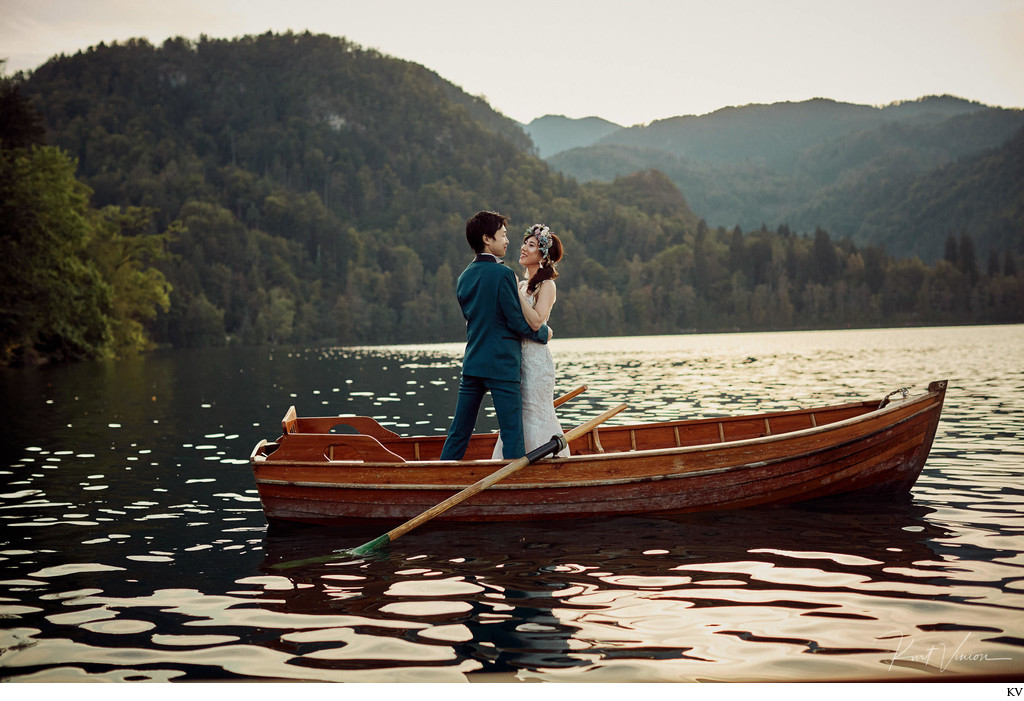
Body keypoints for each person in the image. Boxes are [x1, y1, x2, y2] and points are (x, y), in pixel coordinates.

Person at [439, 211, 552, 461]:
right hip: (502, 365)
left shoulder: (463, 277)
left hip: (473, 363)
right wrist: (545, 333)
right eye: (503, 235)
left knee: (459, 432)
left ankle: (439, 478)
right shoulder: (503, 275)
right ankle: (514, 488)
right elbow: (516, 322)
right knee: (512, 433)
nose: (507, 240)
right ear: (487, 239)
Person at [492, 224, 570, 458]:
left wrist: (514, 291)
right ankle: (514, 461)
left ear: (543, 257)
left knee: (535, 411)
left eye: (532, 245)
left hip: (536, 362)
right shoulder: (522, 285)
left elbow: (536, 322)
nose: (524, 248)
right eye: (525, 243)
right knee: (517, 413)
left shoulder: (547, 285)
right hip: (517, 359)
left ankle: (548, 462)